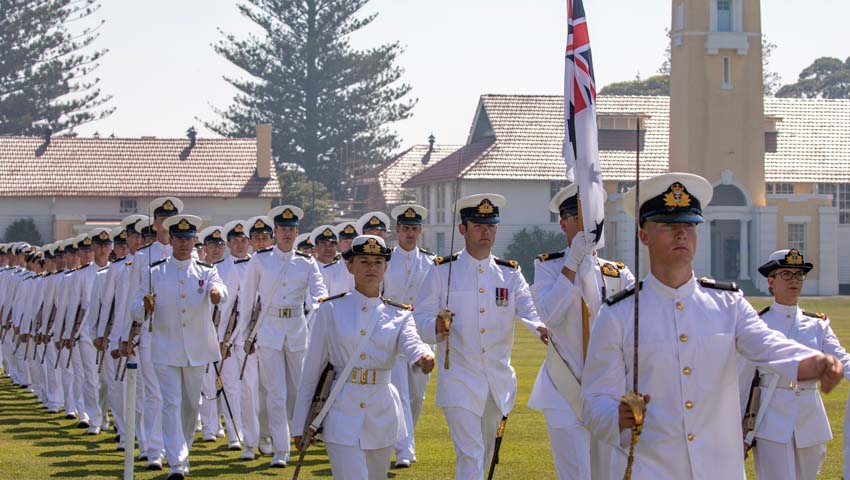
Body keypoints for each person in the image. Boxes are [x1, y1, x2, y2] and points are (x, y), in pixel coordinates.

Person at [581, 172, 845, 480]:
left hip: (720, 469)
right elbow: (594, 402)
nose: (681, 234)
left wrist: (814, 362)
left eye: (689, 225)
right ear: (644, 236)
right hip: (652, 469)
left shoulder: (727, 303)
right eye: (668, 225)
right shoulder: (618, 314)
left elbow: (768, 345)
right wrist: (616, 417)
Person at [414, 193, 547, 479]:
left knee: (487, 452)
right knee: (470, 452)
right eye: (478, 226)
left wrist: (542, 329)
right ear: (462, 229)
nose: (486, 232)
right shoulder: (441, 271)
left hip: (497, 380)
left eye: (491, 226)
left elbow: (530, 309)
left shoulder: (509, 274)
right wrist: (435, 325)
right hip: (459, 377)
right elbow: (419, 317)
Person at [292, 235, 435, 480]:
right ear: (350, 266)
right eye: (364, 261)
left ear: (386, 268)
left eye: (378, 262)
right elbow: (311, 371)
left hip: (381, 412)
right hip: (341, 409)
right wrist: (299, 424)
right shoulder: (331, 309)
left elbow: (412, 342)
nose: (371, 268)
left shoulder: (398, 314)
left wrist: (423, 355)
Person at [528, 184, 634, 480]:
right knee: (575, 473)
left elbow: (633, 326)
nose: (590, 225)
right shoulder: (549, 267)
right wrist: (572, 263)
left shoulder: (618, 273)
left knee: (609, 473)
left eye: (594, 217)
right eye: (580, 217)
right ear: (563, 223)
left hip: (608, 390)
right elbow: (550, 314)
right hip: (565, 387)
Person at [132, 214, 227, 480]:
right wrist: (144, 307)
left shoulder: (206, 271)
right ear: (170, 240)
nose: (184, 244)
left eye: (188, 239)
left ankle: (183, 450)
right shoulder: (155, 271)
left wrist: (217, 295)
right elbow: (135, 308)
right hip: (166, 348)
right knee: (170, 403)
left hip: (196, 349)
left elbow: (220, 289)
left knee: (191, 405)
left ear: (195, 241)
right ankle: (176, 461)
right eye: (179, 239)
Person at [745, 249, 850, 479]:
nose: (794, 280)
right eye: (786, 274)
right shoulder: (758, 323)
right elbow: (744, 377)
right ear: (771, 282)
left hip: (809, 419)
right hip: (772, 419)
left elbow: (841, 359)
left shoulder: (817, 324)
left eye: (799, 275)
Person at [239, 205, 327, 467]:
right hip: (269, 329)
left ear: (297, 232)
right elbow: (247, 300)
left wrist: (319, 305)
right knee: (275, 393)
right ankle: (281, 450)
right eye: (283, 229)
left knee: (301, 390)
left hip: (298, 329)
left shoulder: (306, 261)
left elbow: (319, 293)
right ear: (275, 231)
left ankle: (300, 436)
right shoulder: (261, 259)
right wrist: (246, 334)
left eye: (291, 230)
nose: (287, 234)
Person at [384, 204, 435, 467]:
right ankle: (404, 450)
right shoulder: (386, 260)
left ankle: (407, 436)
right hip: (392, 335)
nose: (410, 234)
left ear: (420, 231)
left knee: (417, 396)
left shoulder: (431, 261)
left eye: (415, 229)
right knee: (400, 394)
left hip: (421, 333)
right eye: (405, 229)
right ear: (397, 231)